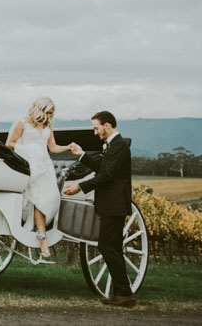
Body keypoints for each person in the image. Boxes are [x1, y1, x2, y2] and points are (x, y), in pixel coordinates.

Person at [64, 111, 135, 307]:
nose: (95, 132)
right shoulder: (113, 145)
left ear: (107, 125)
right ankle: (123, 293)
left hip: (114, 204)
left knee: (107, 246)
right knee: (112, 247)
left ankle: (125, 293)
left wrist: (80, 187)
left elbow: (107, 175)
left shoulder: (119, 145)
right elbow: (102, 168)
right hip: (111, 204)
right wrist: (82, 154)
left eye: (96, 128)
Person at [6, 97, 77, 260]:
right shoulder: (22, 123)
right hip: (29, 164)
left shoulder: (48, 126)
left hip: (45, 166)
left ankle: (43, 233)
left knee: (51, 197)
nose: (49, 116)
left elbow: (52, 147)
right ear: (40, 109)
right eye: (48, 112)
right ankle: (42, 238)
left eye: (52, 113)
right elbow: (10, 144)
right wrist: (30, 150)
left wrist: (67, 147)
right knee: (39, 199)